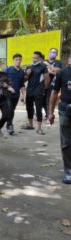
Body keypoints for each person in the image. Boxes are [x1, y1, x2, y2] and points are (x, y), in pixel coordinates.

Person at [48, 54, 71, 184]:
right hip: (65, 110)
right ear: (69, 59)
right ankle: (68, 170)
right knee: (67, 142)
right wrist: (50, 113)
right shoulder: (62, 73)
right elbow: (54, 93)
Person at [23, 51, 50, 134]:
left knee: (38, 109)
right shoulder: (29, 67)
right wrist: (27, 74)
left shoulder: (43, 67)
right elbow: (25, 79)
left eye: (36, 57)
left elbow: (47, 79)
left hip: (38, 91)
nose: (34, 59)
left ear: (40, 58)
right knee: (29, 108)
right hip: (29, 91)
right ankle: (30, 125)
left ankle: (39, 128)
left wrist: (43, 89)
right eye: (33, 57)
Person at [5, 53, 26, 135]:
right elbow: (2, 81)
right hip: (7, 94)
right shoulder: (8, 70)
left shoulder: (21, 71)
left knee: (12, 110)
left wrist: (23, 95)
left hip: (16, 94)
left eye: (19, 60)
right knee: (9, 109)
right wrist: (8, 87)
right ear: (13, 61)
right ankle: (10, 125)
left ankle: (9, 124)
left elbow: (22, 84)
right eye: (16, 60)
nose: (18, 61)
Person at [43, 48, 63, 119]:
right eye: (51, 52)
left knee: (49, 99)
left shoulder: (59, 62)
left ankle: (49, 115)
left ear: (56, 54)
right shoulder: (43, 61)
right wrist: (52, 71)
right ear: (48, 52)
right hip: (43, 83)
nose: (52, 53)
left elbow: (58, 72)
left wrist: (48, 68)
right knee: (42, 99)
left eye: (54, 52)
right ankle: (46, 113)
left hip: (53, 84)